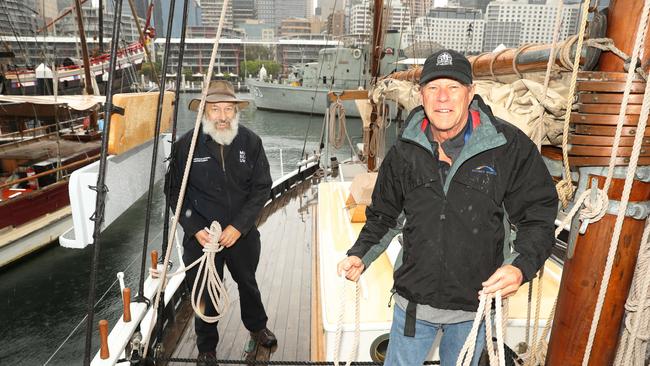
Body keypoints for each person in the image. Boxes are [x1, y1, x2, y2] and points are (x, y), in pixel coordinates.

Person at [337, 49, 558, 366]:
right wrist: (360, 253)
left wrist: (519, 266)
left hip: (476, 306)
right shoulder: (404, 152)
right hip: (413, 304)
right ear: (420, 94)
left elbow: (538, 218)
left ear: (470, 93)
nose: (443, 97)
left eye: (453, 87)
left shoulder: (509, 148)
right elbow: (384, 216)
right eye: (433, 87)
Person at [167, 80, 277, 364]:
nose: (223, 115)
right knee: (204, 292)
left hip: (241, 234)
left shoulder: (251, 142)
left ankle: (257, 327)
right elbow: (173, 193)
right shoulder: (184, 148)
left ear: (235, 111)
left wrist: (239, 227)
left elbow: (262, 188)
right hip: (202, 239)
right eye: (215, 109)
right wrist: (194, 230)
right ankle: (206, 348)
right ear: (204, 111)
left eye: (228, 108)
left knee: (248, 283)